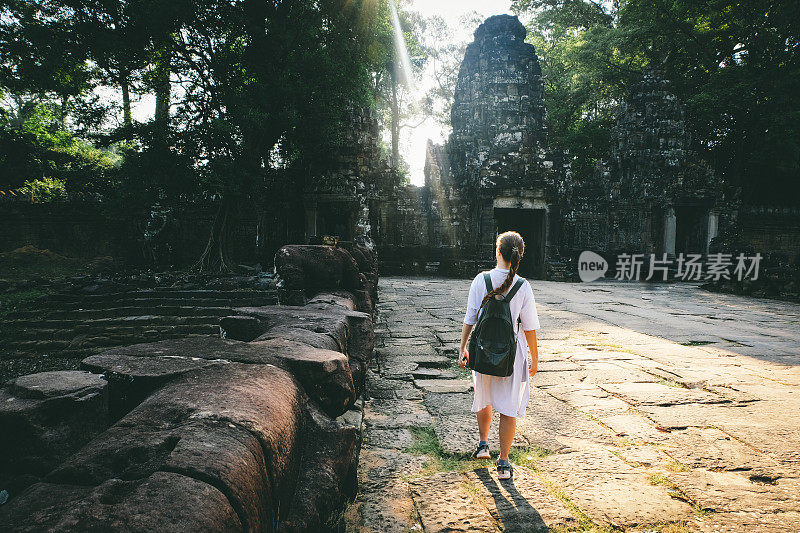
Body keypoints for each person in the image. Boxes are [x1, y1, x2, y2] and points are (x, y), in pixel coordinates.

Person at [458, 230, 540, 480]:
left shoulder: (481, 280)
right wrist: (534, 357)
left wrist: (463, 347)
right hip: (512, 354)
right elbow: (529, 327)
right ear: (519, 256)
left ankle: (483, 445)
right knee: (509, 407)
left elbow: (470, 318)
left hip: (482, 349)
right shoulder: (523, 286)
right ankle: (503, 462)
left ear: (498, 252)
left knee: (485, 396)